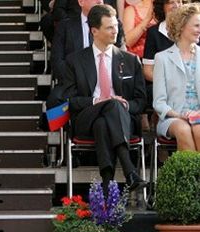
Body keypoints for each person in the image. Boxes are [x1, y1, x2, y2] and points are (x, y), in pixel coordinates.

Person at [61, 4, 147, 194]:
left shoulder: (131, 60)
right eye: (109, 27)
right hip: (86, 118)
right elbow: (70, 100)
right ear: (94, 31)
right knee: (109, 106)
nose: (115, 31)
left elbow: (141, 102)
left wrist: (124, 104)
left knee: (105, 121)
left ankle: (107, 185)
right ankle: (129, 170)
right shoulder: (75, 61)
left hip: (121, 120)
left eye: (116, 26)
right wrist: (96, 102)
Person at [153, 2, 200, 151]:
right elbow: (159, 102)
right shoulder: (162, 58)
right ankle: (190, 175)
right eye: (196, 26)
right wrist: (179, 115)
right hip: (172, 117)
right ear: (182, 26)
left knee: (199, 129)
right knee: (183, 129)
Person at [51, 0, 126, 82]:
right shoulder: (65, 27)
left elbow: (122, 58)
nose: (99, 1)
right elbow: (57, 63)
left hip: (107, 82)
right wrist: (79, 80)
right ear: (81, 2)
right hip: (73, 84)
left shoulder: (115, 25)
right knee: (56, 95)